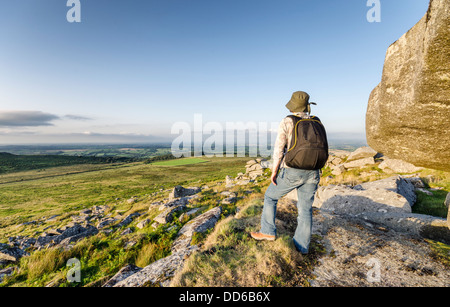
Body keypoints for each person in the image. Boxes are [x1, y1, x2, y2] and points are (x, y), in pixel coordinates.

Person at [250, 91, 324, 254]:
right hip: (314, 172)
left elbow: (279, 149)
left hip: (293, 171)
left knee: (270, 196)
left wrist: (274, 171)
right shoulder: (316, 121)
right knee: (305, 209)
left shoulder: (288, 121)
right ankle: (302, 247)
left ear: (292, 106)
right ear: (306, 106)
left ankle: (268, 232)